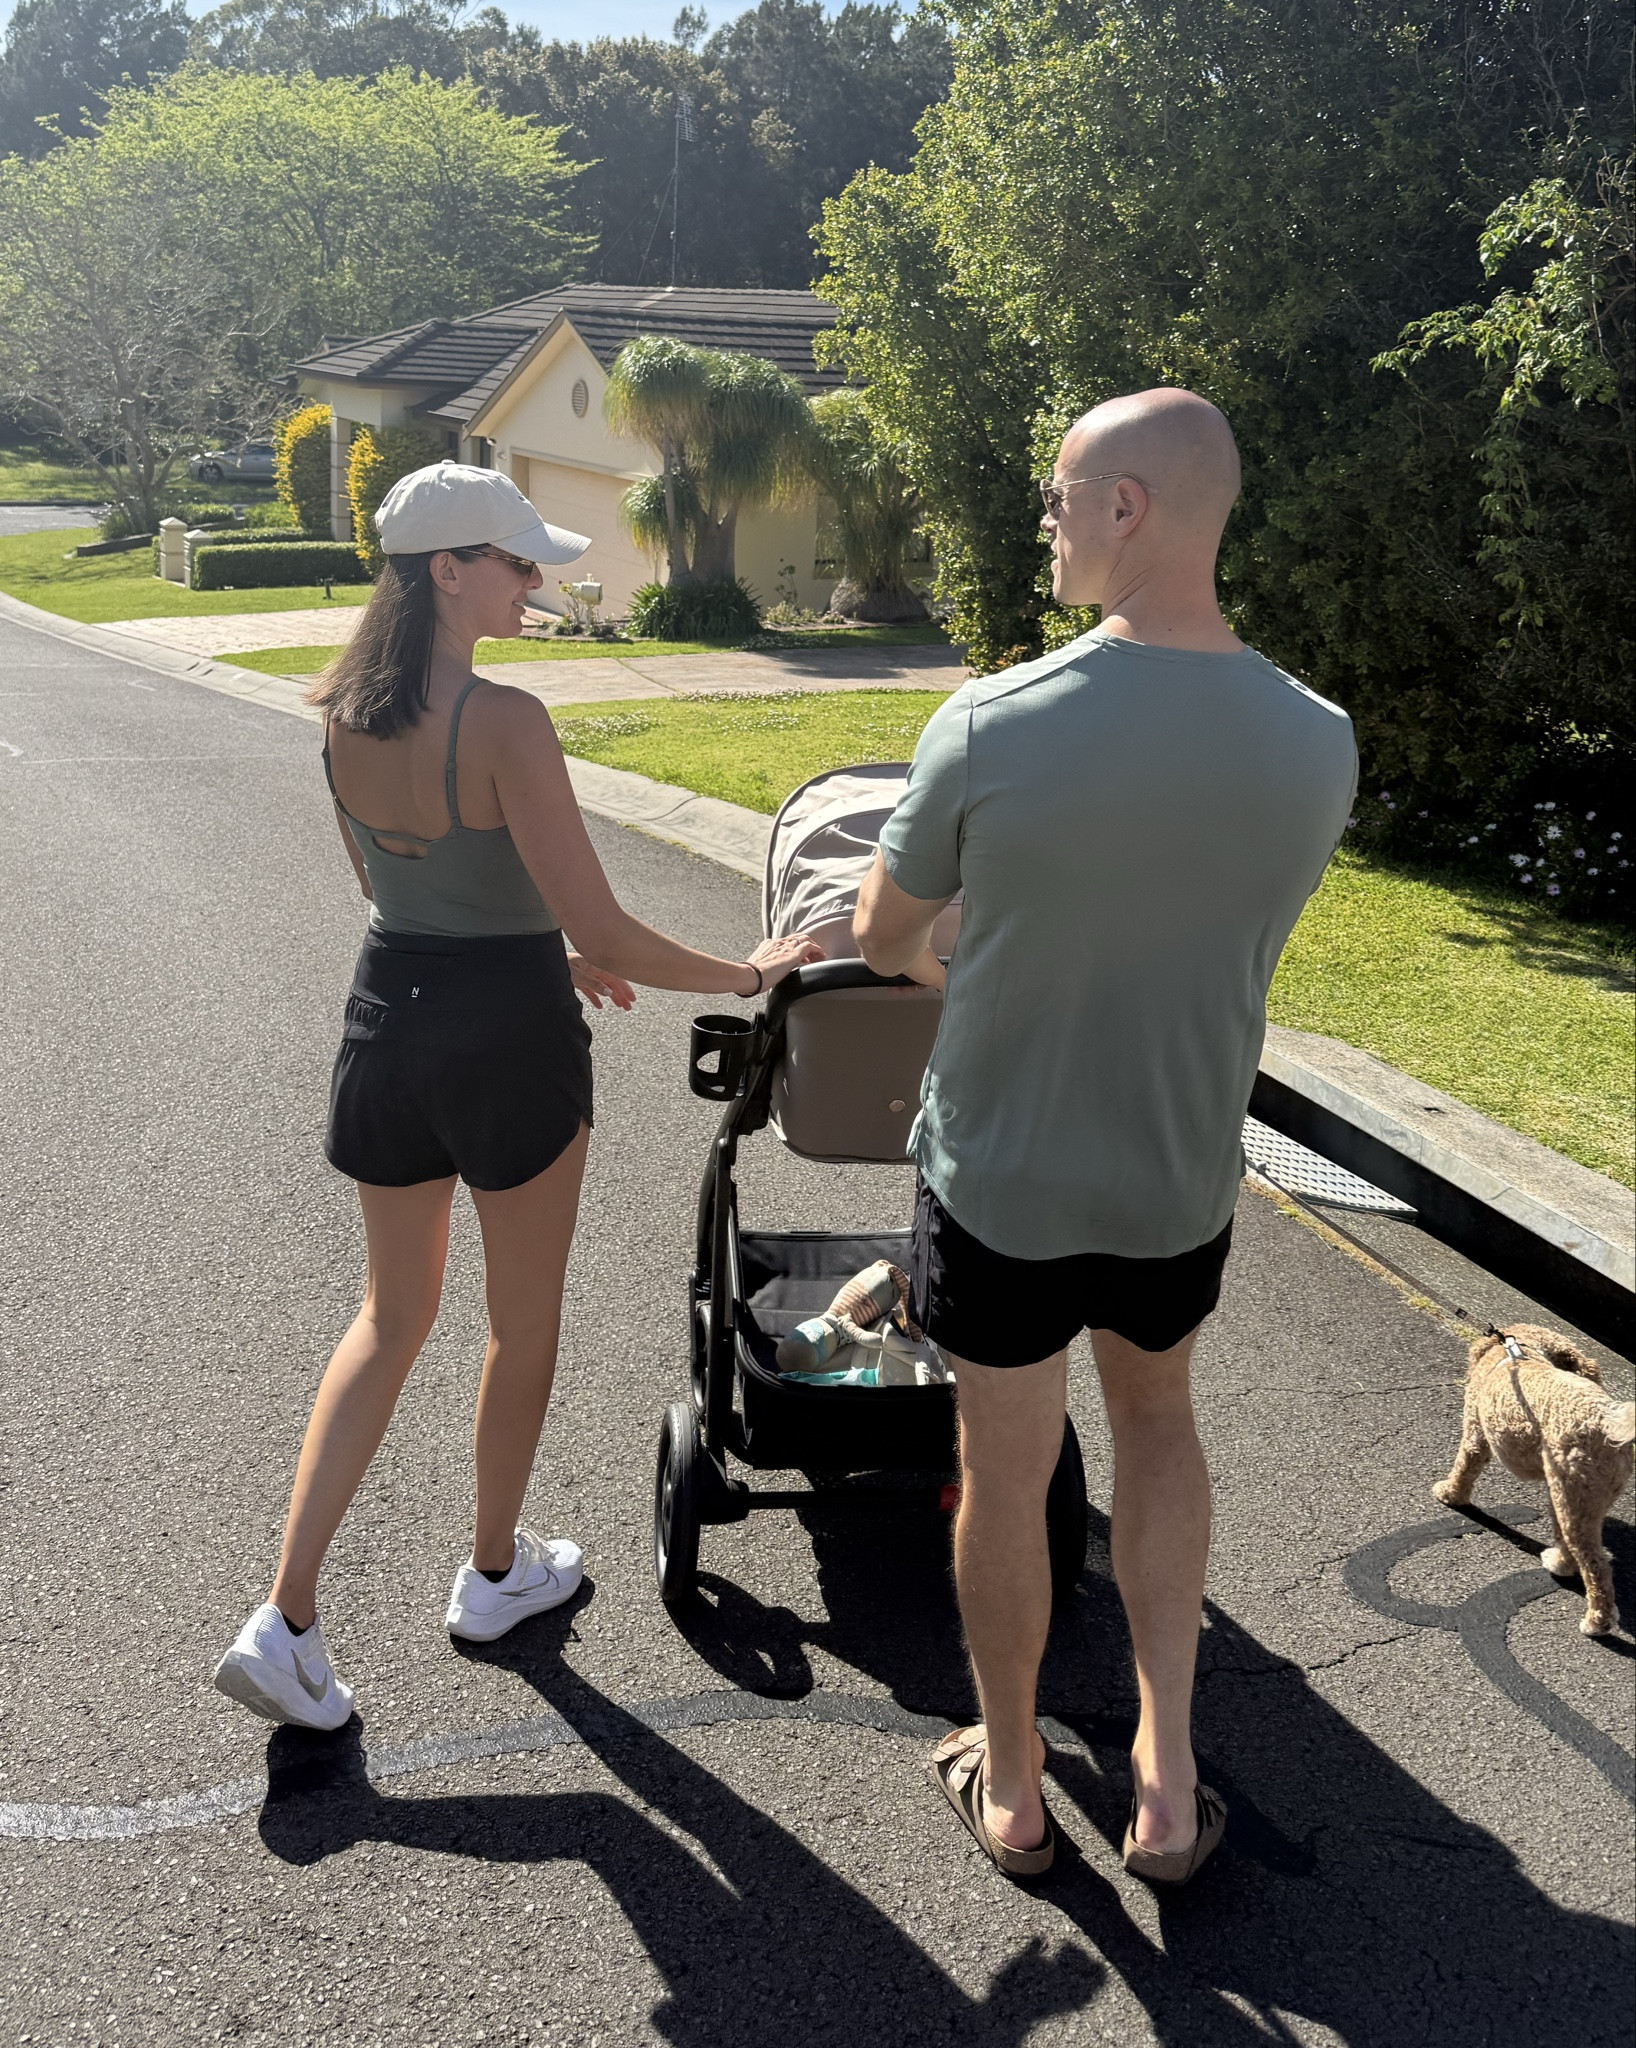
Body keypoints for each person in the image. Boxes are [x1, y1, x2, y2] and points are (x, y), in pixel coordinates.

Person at [215, 462, 819, 1730]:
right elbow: (605, 925)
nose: (534, 581)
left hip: (388, 1020)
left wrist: (552, 945)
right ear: (448, 571)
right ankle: (493, 1574)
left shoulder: (339, 712)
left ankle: (285, 1614)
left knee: (388, 1316)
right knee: (521, 1323)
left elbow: (391, 890)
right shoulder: (503, 719)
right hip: (507, 1037)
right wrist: (747, 970)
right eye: (515, 561)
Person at [855, 390, 1357, 1883]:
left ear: (1127, 507)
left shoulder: (989, 720)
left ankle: (1013, 1787)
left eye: (1063, 497)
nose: (1049, 522)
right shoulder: (1317, 741)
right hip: (1177, 1176)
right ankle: (1165, 1779)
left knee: (1005, 1469)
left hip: (1002, 1181)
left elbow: (883, 939)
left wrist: (962, 951)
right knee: (1158, 1425)